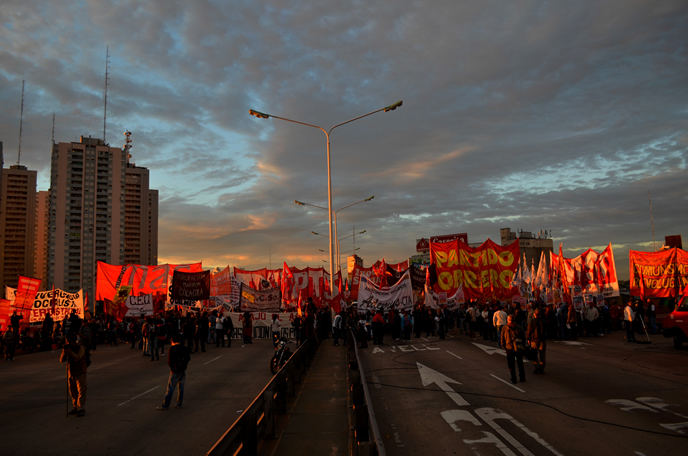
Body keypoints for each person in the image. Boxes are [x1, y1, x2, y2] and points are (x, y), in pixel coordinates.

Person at [156, 335, 190, 410]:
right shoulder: (184, 348)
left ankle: (165, 405)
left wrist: (172, 368)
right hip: (183, 369)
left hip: (175, 370)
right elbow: (188, 358)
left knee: (170, 388)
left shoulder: (172, 348)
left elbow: (169, 361)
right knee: (181, 388)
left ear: (172, 341)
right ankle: (179, 403)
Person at [60, 333, 88, 417]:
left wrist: (70, 352)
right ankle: (75, 407)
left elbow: (78, 357)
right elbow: (61, 360)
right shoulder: (67, 348)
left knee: (81, 391)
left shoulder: (80, 348)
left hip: (80, 372)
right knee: (73, 392)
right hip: (71, 372)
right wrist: (64, 353)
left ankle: (81, 408)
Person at [501, 314, 526, 384]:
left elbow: (502, 337)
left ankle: (513, 378)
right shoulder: (519, 327)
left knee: (511, 364)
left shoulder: (505, 328)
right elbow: (523, 338)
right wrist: (523, 346)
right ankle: (522, 377)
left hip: (509, 348)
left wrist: (503, 346)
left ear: (508, 320)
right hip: (518, 347)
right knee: (520, 363)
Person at [526, 308, 547, 374]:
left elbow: (529, 331)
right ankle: (541, 368)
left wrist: (528, 339)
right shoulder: (543, 322)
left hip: (534, 340)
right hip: (542, 340)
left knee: (534, 355)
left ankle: (537, 367)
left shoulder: (532, 322)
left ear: (534, 314)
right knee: (542, 354)